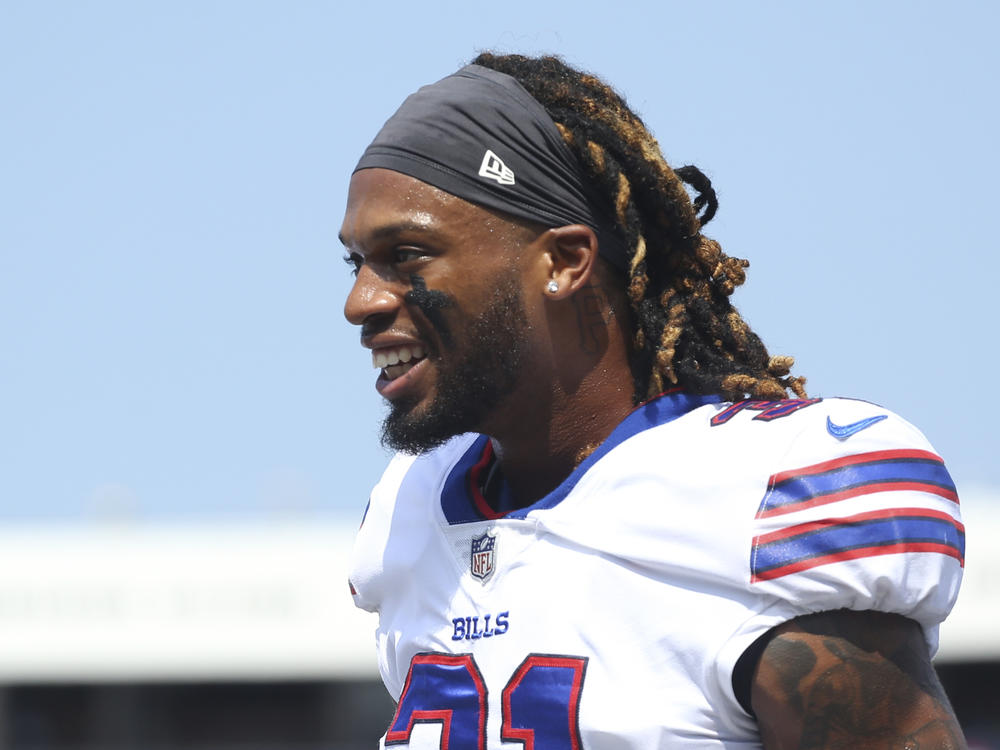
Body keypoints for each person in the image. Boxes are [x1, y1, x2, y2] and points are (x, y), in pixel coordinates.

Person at [341, 53, 966, 749]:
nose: (360, 301)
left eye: (407, 255)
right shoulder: (410, 511)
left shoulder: (758, 494)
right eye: (357, 262)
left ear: (564, 262)